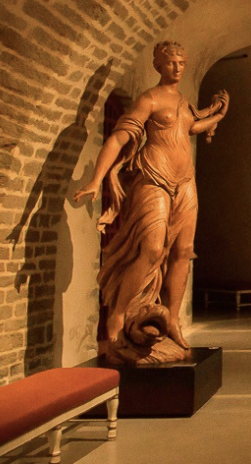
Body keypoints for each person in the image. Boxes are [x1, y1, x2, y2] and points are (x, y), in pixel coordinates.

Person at [73, 41, 229, 364]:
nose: (178, 67)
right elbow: (119, 137)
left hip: (185, 184)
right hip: (154, 179)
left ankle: (172, 319)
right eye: (171, 62)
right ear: (158, 65)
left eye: (182, 62)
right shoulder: (150, 98)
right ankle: (116, 317)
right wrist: (96, 178)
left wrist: (218, 116)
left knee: (183, 252)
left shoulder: (184, 103)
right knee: (153, 250)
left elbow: (192, 127)